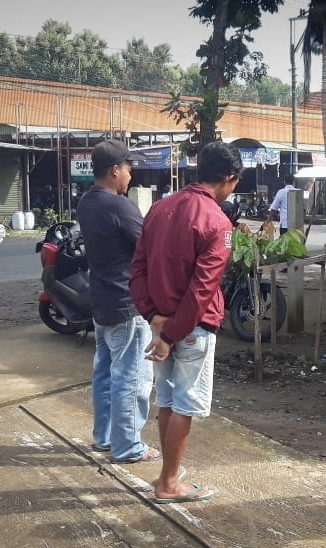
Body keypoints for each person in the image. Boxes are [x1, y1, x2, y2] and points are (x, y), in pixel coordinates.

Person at [129, 141, 241, 504]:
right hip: (189, 330)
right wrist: (171, 333)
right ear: (228, 179)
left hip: (162, 324)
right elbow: (202, 289)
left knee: (167, 399)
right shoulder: (218, 222)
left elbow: (138, 271)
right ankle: (169, 482)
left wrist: (154, 318)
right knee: (184, 403)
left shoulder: (160, 208)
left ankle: (167, 474)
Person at [75, 141, 159, 462]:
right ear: (114, 170)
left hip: (102, 299)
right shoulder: (118, 205)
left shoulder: (87, 203)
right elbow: (147, 246)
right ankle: (127, 446)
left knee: (106, 372)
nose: (131, 172)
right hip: (127, 303)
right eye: (127, 167)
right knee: (133, 376)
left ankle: (105, 438)